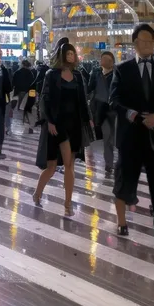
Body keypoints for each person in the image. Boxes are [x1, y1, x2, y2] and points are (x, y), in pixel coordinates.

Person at [109, 23, 154, 266]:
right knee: (123, 183)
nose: (147, 45)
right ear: (135, 43)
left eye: (151, 41)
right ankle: (121, 221)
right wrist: (133, 115)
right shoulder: (123, 70)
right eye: (143, 41)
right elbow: (114, 100)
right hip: (131, 140)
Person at [33, 43, 94, 217]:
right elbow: (44, 99)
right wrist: (50, 121)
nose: (70, 57)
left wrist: (88, 118)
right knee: (52, 167)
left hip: (73, 124)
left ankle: (67, 204)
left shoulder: (77, 75)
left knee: (69, 164)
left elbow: (83, 99)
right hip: (56, 124)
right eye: (67, 54)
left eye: (72, 54)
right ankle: (38, 193)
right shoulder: (51, 75)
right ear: (62, 56)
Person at [88, 51, 116, 175]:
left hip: (116, 111)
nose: (104, 62)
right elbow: (89, 88)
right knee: (107, 139)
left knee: (117, 140)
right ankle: (109, 164)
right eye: (103, 59)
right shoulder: (96, 73)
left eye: (108, 60)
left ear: (112, 62)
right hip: (102, 111)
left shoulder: (117, 74)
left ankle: (123, 162)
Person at [12, 59, 35, 127]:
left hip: (18, 90)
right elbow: (32, 83)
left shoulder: (17, 72)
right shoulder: (30, 73)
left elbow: (13, 82)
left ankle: (19, 118)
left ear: (22, 64)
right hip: (27, 91)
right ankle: (25, 120)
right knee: (25, 105)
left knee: (18, 104)